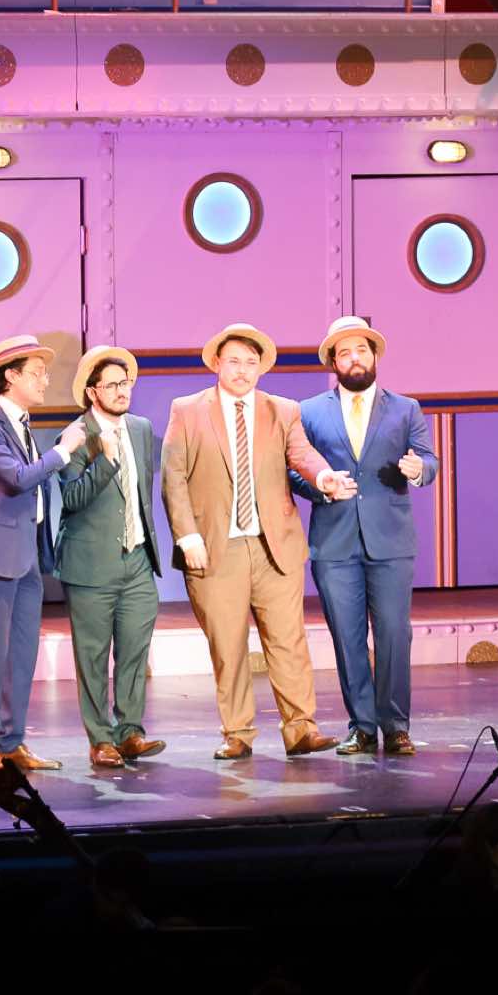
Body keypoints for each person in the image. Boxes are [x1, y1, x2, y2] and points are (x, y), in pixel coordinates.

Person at [159, 322, 351, 760]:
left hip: (273, 545)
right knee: (228, 645)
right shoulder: (187, 410)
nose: (243, 371)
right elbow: (173, 477)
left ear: (261, 368)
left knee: (288, 641)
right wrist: (187, 535)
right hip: (215, 547)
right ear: (217, 363)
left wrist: (323, 476)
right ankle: (238, 732)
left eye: (251, 363)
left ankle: (300, 728)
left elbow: (301, 454)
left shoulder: (282, 410)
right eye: (234, 362)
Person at [290, 316, 437, 756]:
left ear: (375, 356)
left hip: (390, 540)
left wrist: (419, 470)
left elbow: (429, 460)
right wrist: (322, 486)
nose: (354, 359)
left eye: (361, 350)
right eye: (344, 353)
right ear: (333, 362)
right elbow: (293, 470)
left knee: (393, 634)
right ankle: (362, 726)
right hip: (334, 542)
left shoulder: (405, 408)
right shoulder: (308, 411)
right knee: (347, 637)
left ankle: (396, 725)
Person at [0, 335, 87, 779]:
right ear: (10, 376)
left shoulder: (23, 424)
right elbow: (17, 478)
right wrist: (64, 450)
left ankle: (12, 741)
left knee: (21, 653)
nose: (44, 380)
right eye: (36, 373)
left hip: (28, 551)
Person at [56, 347, 167, 769]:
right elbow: (72, 498)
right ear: (92, 392)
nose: (122, 392)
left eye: (126, 383)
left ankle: (130, 731)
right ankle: (100, 738)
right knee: (93, 656)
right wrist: (104, 460)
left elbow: (141, 494)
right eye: (113, 385)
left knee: (135, 650)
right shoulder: (75, 435)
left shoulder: (140, 428)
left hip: (137, 560)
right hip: (90, 566)